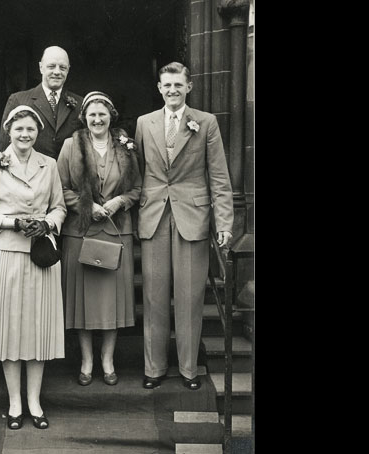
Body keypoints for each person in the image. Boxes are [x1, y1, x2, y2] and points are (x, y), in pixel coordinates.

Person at [134, 62, 233, 391]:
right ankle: (154, 367)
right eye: (167, 85)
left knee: (190, 297)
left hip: (193, 217)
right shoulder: (144, 123)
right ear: (159, 88)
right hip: (154, 216)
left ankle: (189, 369)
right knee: (154, 296)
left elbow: (219, 176)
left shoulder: (206, 123)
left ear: (188, 87)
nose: (173, 90)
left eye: (178, 85)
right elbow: (138, 172)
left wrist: (225, 222)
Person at [0, 106, 67, 430]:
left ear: (37, 132)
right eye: (18, 129)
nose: (24, 135)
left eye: (30, 129)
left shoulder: (49, 165)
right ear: (8, 131)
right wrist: (13, 222)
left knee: (37, 331)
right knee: (12, 332)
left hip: (40, 256)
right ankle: (14, 404)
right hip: (6, 256)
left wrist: (47, 224)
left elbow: (59, 207)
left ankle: (34, 402)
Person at [57, 92, 141, 387]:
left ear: (111, 115)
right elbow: (60, 188)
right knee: (84, 303)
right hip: (80, 232)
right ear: (84, 117)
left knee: (111, 303)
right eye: (91, 114)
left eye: (102, 114)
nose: (97, 119)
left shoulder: (125, 145)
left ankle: (107, 359)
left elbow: (136, 189)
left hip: (116, 231)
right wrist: (85, 204)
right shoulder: (70, 145)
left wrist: (119, 201)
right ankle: (86, 360)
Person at [0, 46, 83, 160]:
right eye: (51, 66)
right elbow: (6, 147)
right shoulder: (18, 100)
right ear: (41, 67)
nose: (57, 72)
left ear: (68, 69)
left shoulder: (80, 104)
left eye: (62, 67)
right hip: (30, 174)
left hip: (66, 175)